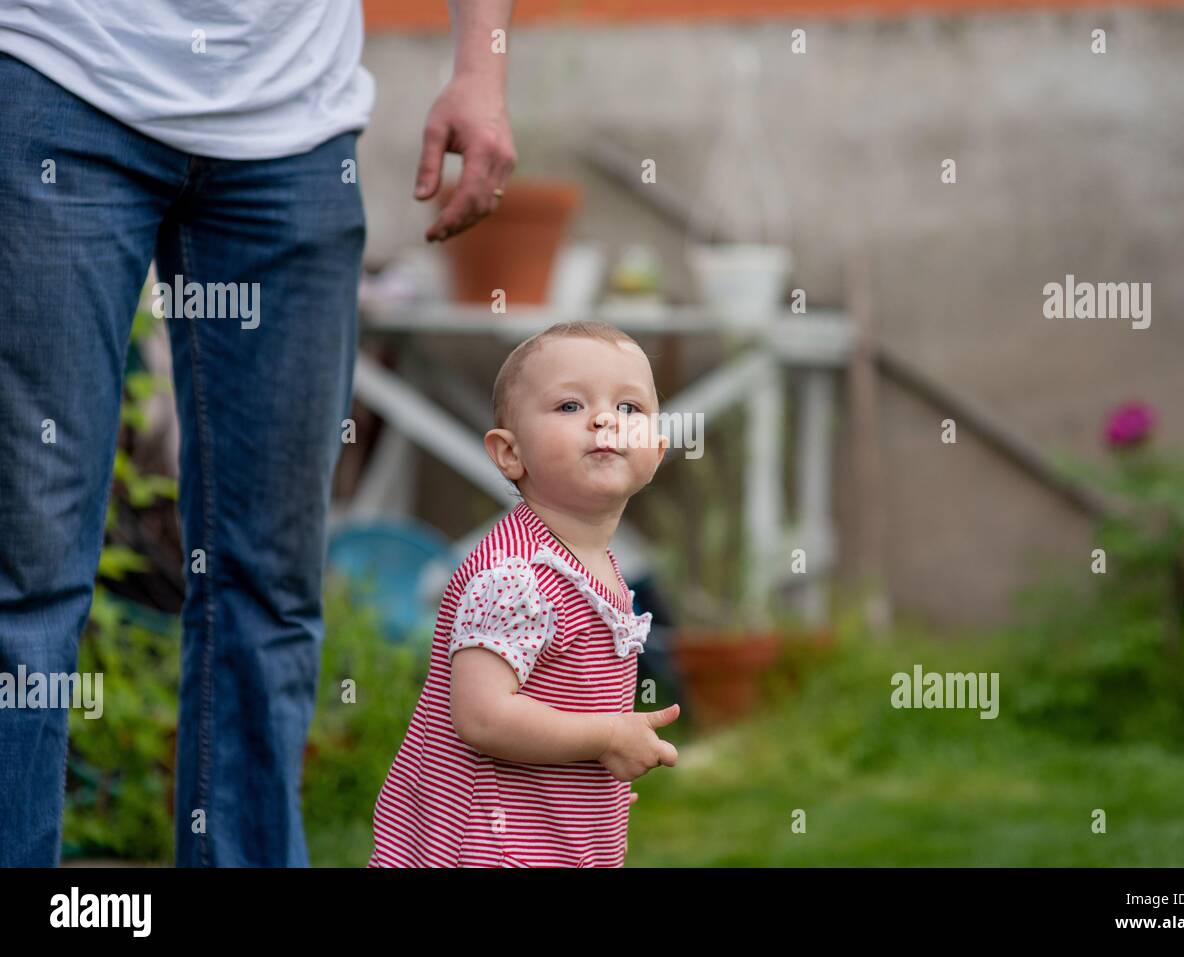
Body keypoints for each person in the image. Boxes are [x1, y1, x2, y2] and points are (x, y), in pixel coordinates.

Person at [0, 0, 517, 867]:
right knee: (29, 573)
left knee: (268, 584)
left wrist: (481, 68)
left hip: (294, 124)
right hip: (64, 72)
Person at [369, 322, 680, 867]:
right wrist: (607, 737)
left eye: (629, 408)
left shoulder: (594, 563)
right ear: (510, 454)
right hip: (484, 845)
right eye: (569, 406)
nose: (606, 419)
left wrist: (587, 792)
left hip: (540, 834)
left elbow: (558, 706)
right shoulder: (515, 576)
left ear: (655, 450)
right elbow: (483, 717)